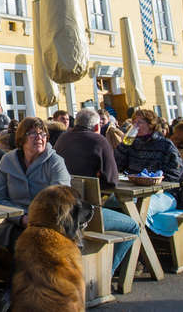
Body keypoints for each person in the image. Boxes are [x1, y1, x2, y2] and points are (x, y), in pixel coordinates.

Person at [55, 108, 138, 273]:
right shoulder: (99, 141)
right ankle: (108, 272)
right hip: (88, 214)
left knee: (118, 205)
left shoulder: (62, 139)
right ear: (96, 127)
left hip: (63, 207)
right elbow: (111, 181)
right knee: (134, 224)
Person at [0, 117, 71, 250]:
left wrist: (34, 219)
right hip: (13, 222)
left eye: (43, 134)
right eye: (33, 133)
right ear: (22, 139)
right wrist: (21, 218)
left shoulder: (55, 162)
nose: (39, 138)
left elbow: (61, 201)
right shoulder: (8, 160)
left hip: (47, 225)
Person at [112, 109, 183, 231]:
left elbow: (176, 173)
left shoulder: (165, 145)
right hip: (136, 191)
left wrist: (152, 180)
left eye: (139, 123)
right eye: (134, 122)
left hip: (164, 194)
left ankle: (139, 243)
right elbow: (117, 166)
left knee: (138, 209)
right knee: (110, 203)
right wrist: (123, 146)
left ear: (150, 125)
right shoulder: (132, 144)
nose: (135, 126)